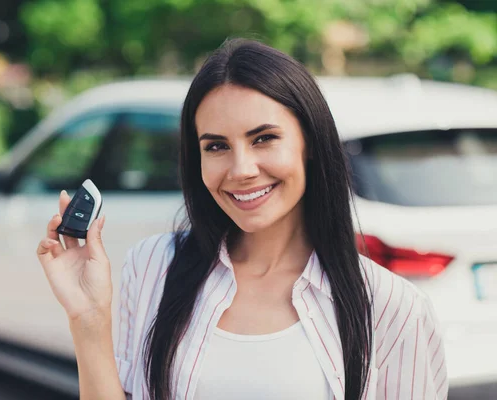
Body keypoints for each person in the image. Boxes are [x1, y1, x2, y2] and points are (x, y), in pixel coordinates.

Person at [36, 38, 448, 400]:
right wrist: (88, 319)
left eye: (264, 138)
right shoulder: (152, 267)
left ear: (310, 143)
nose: (241, 168)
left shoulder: (392, 309)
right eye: (216, 146)